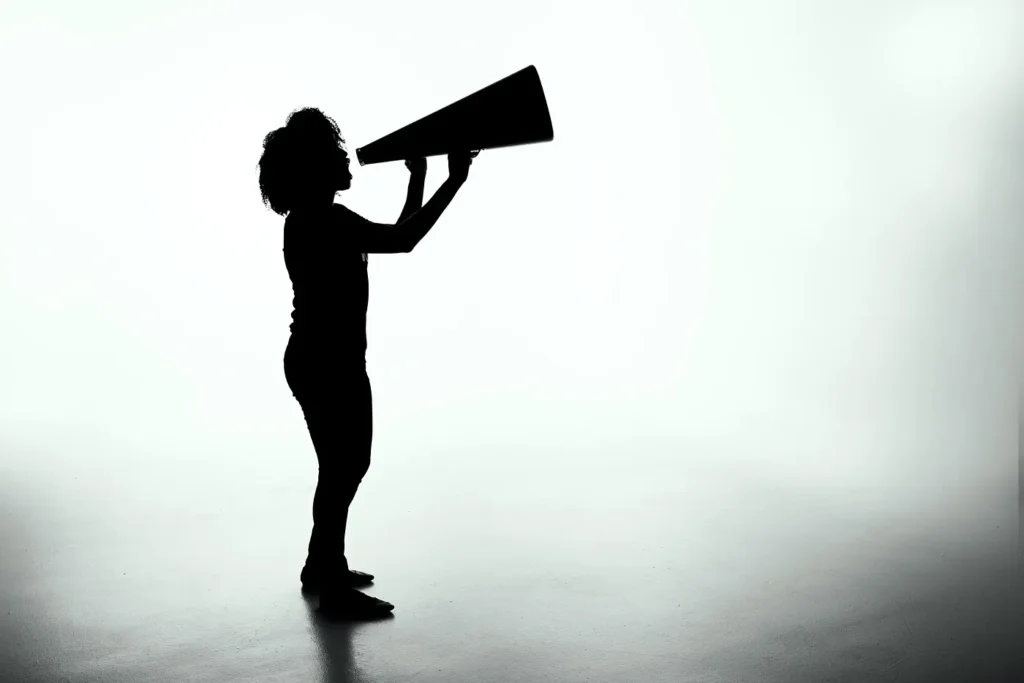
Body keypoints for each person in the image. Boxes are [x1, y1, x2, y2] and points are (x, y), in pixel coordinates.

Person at [257, 107, 477, 619]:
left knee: (339, 468)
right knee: (344, 468)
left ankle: (321, 565)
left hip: (318, 360)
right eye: (337, 155)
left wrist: (420, 177)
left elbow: (396, 232)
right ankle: (331, 585)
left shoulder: (314, 219)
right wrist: (455, 180)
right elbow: (404, 240)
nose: (348, 161)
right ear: (316, 171)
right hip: (327, 363)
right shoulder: (323, 220)